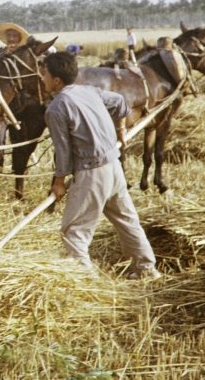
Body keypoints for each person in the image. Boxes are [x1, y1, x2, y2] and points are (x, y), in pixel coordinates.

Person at [40, 52, 160, 279]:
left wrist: (58, 183)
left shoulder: (56, 108)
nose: (41, 77)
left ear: (56, 80)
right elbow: (120, 102)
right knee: (127, 220)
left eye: (44, 73)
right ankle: (147, 269)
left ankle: (86, 282)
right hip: (114, 167)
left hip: (91, 172)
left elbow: (63, 153)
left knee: (73, 231)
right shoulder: (88, 91)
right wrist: (120, 128)